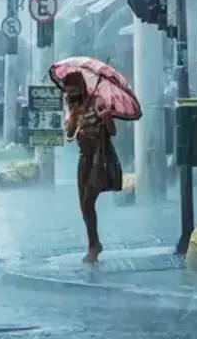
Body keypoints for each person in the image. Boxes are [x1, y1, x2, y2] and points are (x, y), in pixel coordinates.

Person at [63, 71, 116, 264]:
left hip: (98, 157)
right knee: (84, 205)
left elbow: (112, 131)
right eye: (68, 91)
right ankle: (94, 243)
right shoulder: (73, 105)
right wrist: (72, 120)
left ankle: (94, 246)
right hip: (83, 157)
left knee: (88, 202)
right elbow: (69, 136)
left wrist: (106, 116)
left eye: (74, 90)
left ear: (81, 88)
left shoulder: (97, 102)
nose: (71, 94)